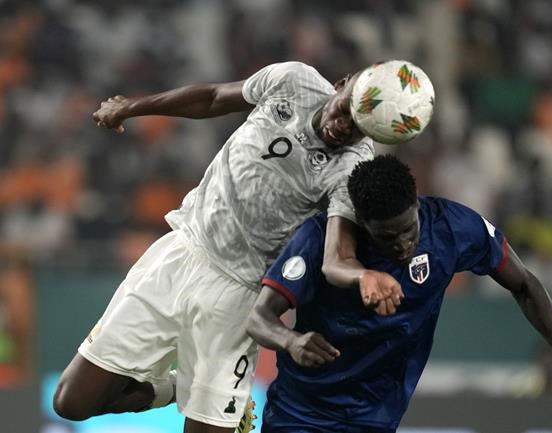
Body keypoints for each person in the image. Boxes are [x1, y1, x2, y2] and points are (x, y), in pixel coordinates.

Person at [52, 61, 408, 433]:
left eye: (360, 126)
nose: (345, 125)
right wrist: (131, 106)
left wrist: (362, 276)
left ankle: (204, 395)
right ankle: (175, 388)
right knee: (71, 402)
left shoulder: (353, 167)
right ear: (341, 84)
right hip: (182, 252)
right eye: (347, 109)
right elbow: (212, 98)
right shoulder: (293, 80)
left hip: (239, 296)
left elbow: (338, 255)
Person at [247, 155, 552, 433]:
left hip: (378, 418)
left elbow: (524, 283)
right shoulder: (318, 240)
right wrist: (291, 341)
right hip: (302, 413)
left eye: (409, 229)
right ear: (361, 223)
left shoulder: (453, 228)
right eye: (387, 237)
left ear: (418, 205)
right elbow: (259, 317)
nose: (403, 244)